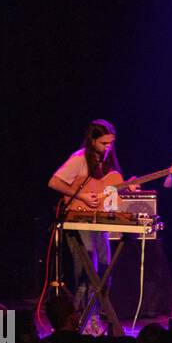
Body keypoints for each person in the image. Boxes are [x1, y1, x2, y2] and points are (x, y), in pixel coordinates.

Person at [47, 119, 121, 312]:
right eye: (104, 143)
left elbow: (104, 188)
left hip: (98, 219)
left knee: (105, 267)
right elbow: (54, 182)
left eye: (111, 143)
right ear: (92, 141)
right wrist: (82, 196)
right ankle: (81, 317)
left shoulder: (105, 160)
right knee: (87, 271)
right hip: (80, 219)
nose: (108, 147)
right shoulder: (80, 158)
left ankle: (97, 314)